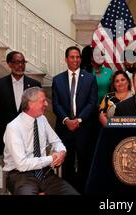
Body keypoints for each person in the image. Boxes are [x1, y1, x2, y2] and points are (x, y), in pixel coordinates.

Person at [3, 87, 78, 195]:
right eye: (43, 101)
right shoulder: (13, 127)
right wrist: (52, 158)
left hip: (45, 174)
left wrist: (62, 152)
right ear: (30, 104)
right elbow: (22, 164)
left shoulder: (42, 119)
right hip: (20, 176)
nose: (47, 104)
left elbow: (56, 141)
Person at [52, 46, 98, 193]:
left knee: (85, 162)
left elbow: (92, 103)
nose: (75, 60)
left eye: (78, 57)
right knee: (67, 163)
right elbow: (56, 104)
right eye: (72, 57)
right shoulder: (57, 79)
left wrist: (78, 120)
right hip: (64, 129)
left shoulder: (90, 78)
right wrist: (66, 120)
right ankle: (68, 191)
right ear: (66, 59)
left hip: (84, 128)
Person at [0, 51, 41, 155]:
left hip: (28, 137)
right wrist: (8, 130)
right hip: (4, 136)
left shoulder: (35, 85)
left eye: (23, 62)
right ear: (9, 64)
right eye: (17, 62)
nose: (21, 65)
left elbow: (38, 111)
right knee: (4, 168)